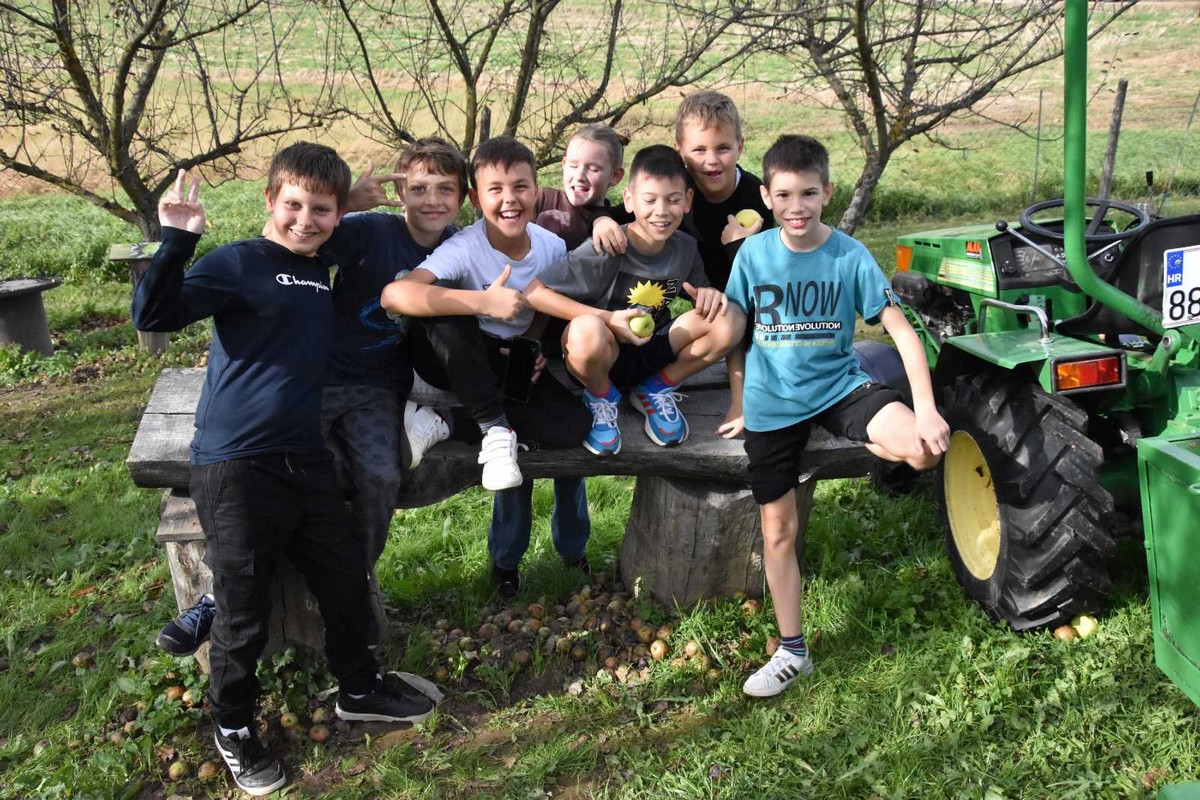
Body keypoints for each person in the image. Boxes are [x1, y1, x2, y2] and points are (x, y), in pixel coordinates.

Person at [132, 144, 434, 796]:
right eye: (292, 205)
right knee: (242, 612)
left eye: (319, 209)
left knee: (345, 577)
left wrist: (346, 203)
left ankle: (358, 686)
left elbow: (321, 226)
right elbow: (153, 315)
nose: (305, 218)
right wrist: (176, 240)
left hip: (307, 458)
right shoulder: (236, 262)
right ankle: (233, 726)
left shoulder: (318, 261)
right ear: (269, 200)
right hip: (237, 465)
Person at [720, 134, 950, 698]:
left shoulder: (848, 254)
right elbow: (735, 334)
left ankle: (872, 446)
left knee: (921, 451)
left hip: (840, 389)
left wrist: (926, 410)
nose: (796, 207)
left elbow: (900, 330)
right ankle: (793, 651)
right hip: (773, 405)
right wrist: (739, 401)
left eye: (808, 194)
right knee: (778, 529)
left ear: (826, 192)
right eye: (784, 196)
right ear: (767, 198)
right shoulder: (753, 256)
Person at [380, 135, 590, 596]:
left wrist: (534, 344)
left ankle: (451, 420)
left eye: (520, 187)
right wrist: (483, 302)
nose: (509, 200)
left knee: (573, 428)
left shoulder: (551, 246)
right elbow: (396, 295)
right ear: (476, 198)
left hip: (507, 366)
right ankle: (494, 428)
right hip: (454, 357)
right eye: (495, 189)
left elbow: (550, 307)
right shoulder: (466, 247)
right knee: (446, 313)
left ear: (538, 190)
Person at [524, 144, 745, 454]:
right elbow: (533, 292)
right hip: (605, 352)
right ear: (629, 200)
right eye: (649, 200)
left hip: (652, 349)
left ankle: (655, 390)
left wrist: (708, 294)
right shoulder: (607, 245)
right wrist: (609, 319)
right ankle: (602, 397)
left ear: (688, 201)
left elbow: (699, 296)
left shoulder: (685, 247)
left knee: (729, 316)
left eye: (673, 200)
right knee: (586, 328)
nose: (661, 211)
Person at [489, 124, 632, 596]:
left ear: (614, 175)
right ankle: (505, 562)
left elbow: (622, 218)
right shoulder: (544, 198)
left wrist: (601, 220)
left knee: (572, 464)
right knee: (519, 462)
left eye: (594, 168)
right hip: (527, 347)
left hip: (574, 353)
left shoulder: (612, 217)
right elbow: (504, 206)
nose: (580, 175)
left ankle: (572, 552)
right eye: (573, 164)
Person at [591, 91, 770, 291]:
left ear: (740, 146)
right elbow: (619, 213)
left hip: (733, 301)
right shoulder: (674, 191)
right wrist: (601, 220)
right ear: (679, 151)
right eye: (699, 150)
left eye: (723, 148)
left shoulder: (757, 198)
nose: (711, 160)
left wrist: (738, 248)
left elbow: (764, 282)